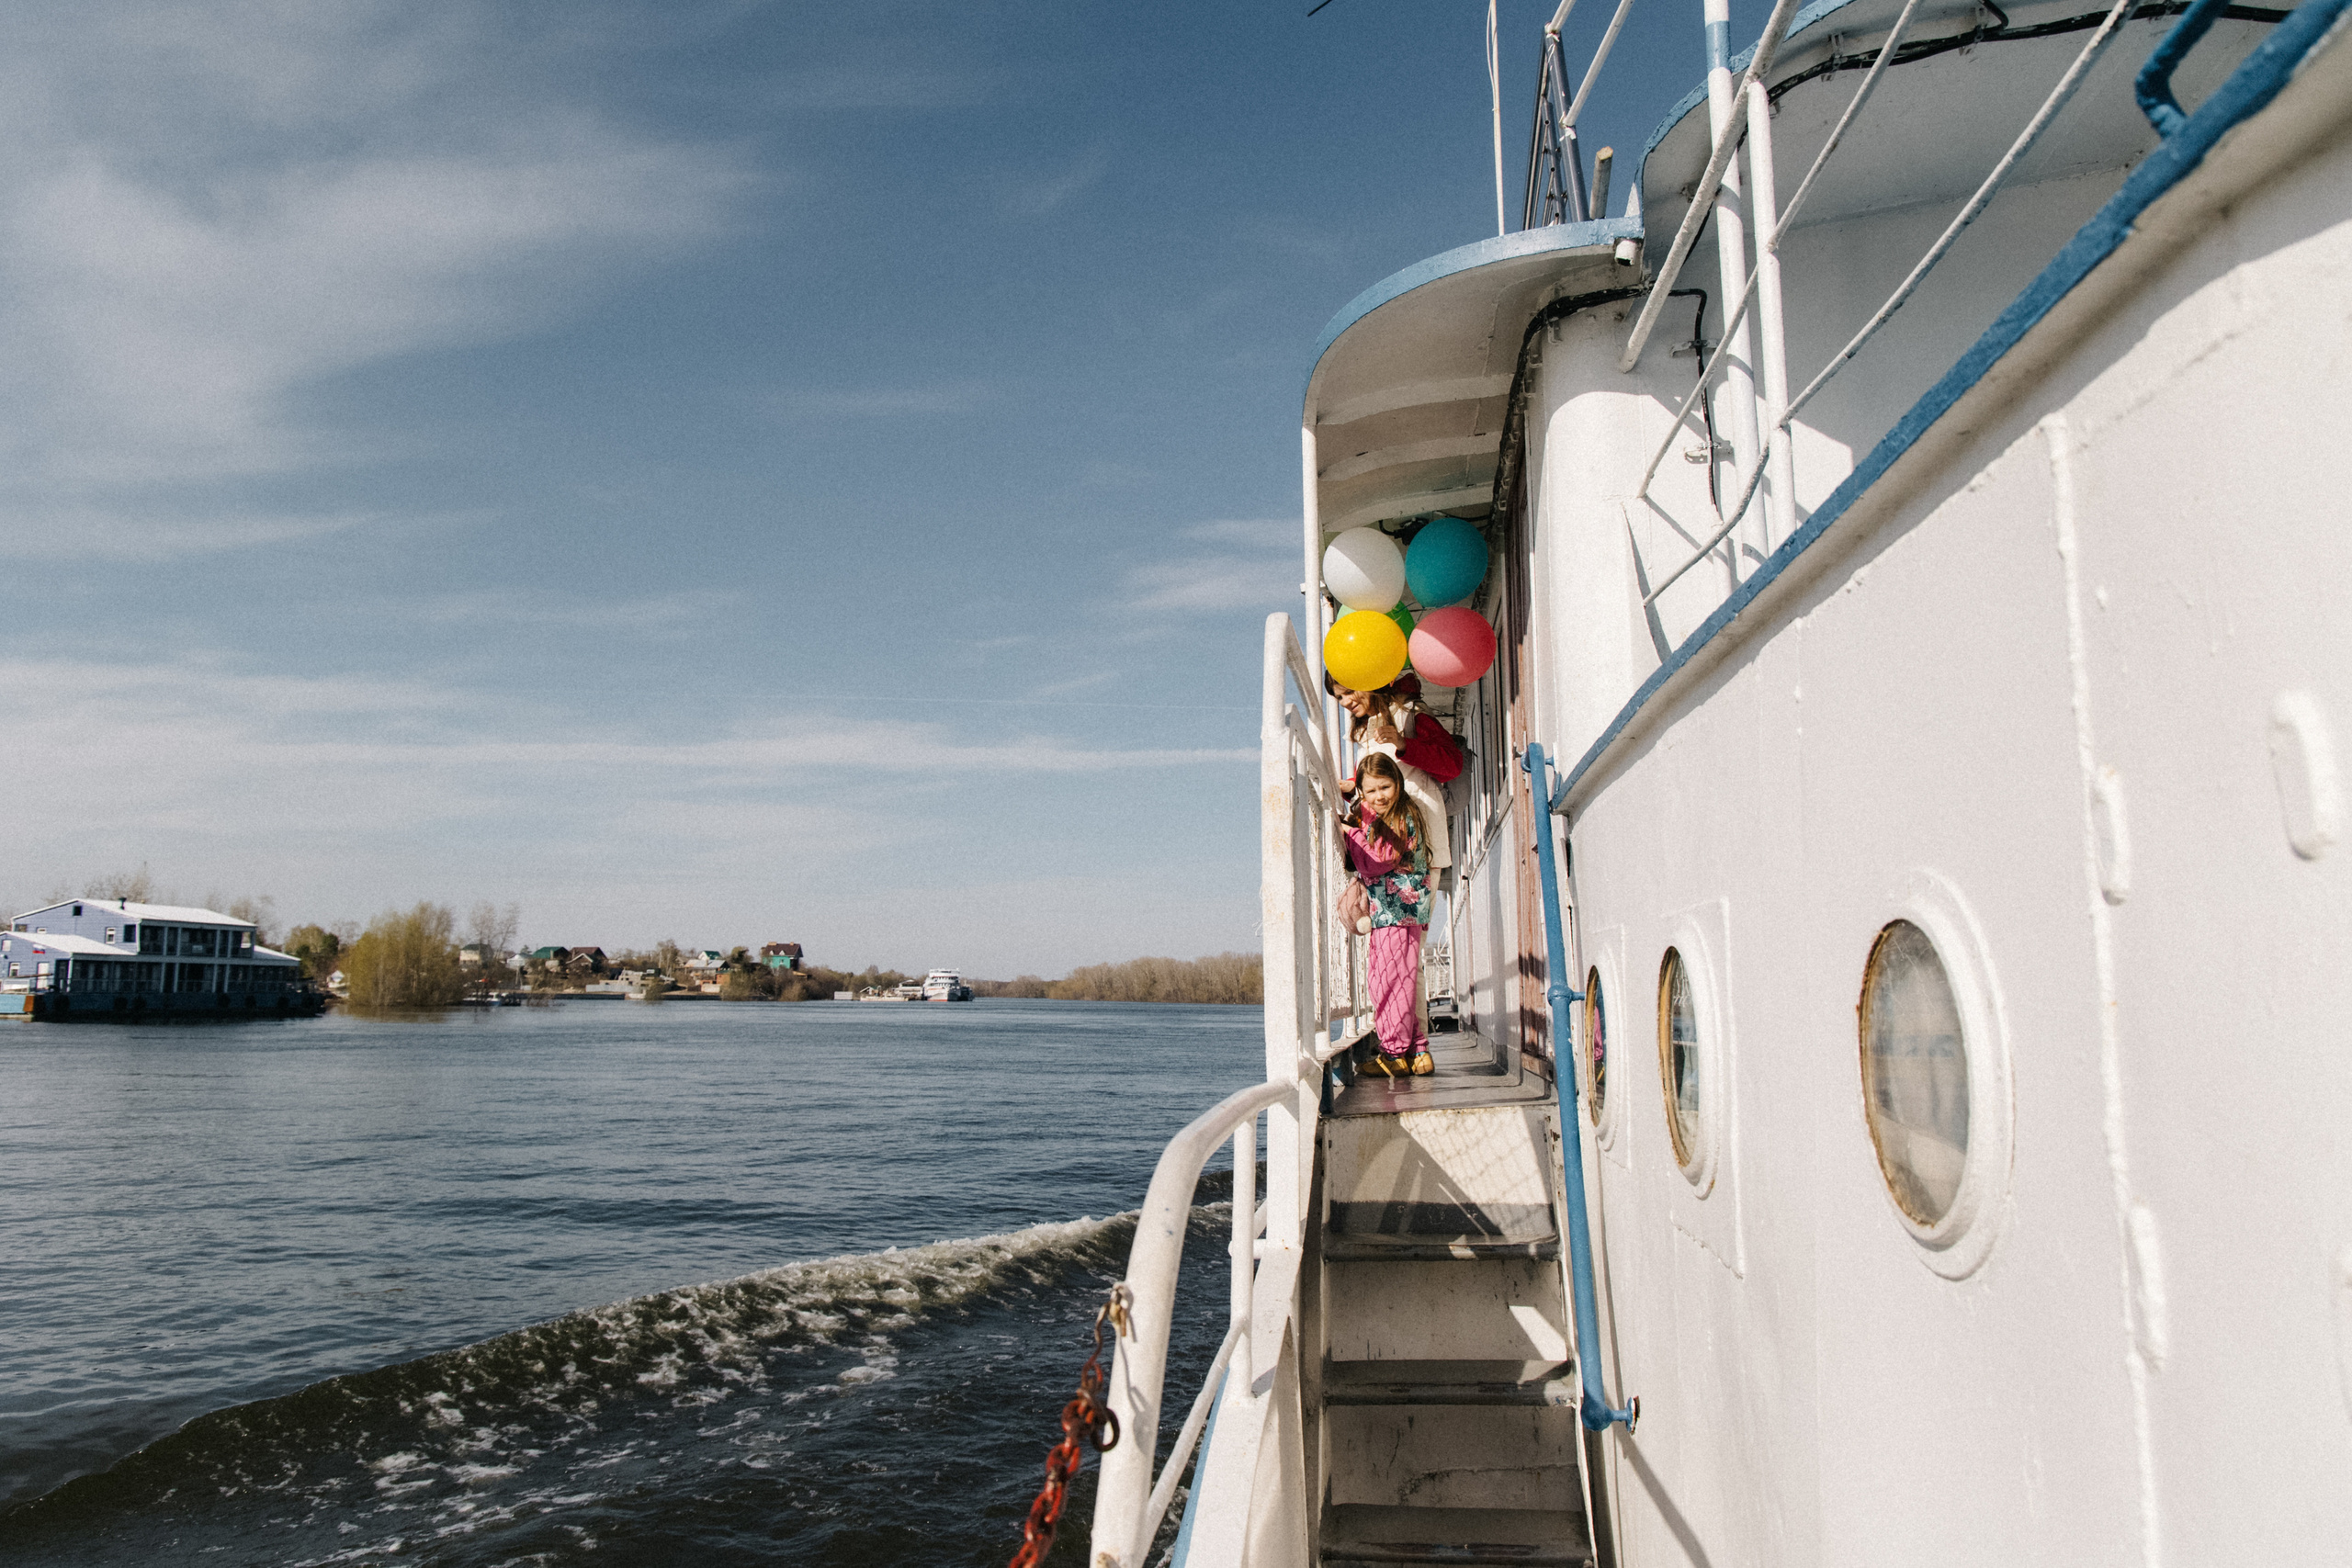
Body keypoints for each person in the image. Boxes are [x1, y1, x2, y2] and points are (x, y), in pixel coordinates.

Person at [1340, 751, 1434, 1077]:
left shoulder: (1397, 817)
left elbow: (1379, 859)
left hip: (1394, 913)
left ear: (1398, 783)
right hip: (1403, 912)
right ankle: (1416, 1049)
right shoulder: (1401, 812)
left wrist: (1348, 833)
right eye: (1372, 790)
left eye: (1386, 787)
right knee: (1401, 981)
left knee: (1388, 983)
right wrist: (1355, 803)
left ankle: (1393, 1054)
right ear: (1363, 792)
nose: (1380, 796)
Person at [1327, 671, 1459, 886]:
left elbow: (1452, 765)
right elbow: (1381, 777)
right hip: (1379, 847)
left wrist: (1404, 744)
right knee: (1383, 919)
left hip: (1417, 845)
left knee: (1409, 919)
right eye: (1338, 697)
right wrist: (1353, 786)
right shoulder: (1363, 728)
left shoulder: (1409, 714)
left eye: (1349, 692)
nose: (1345, 702)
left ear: (1370, 682)